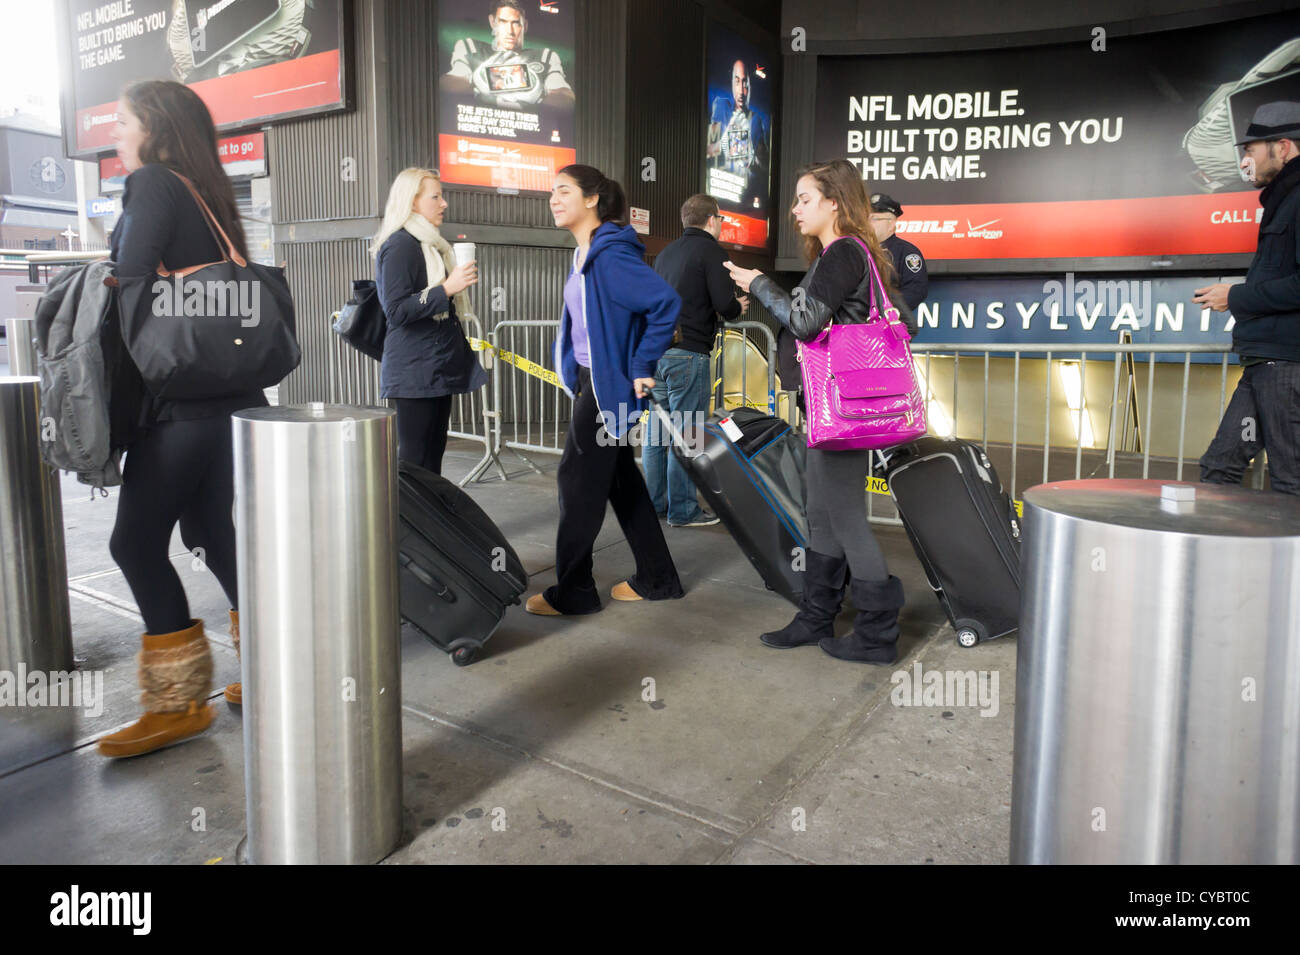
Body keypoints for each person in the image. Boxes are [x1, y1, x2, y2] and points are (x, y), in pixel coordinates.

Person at [97, 80, 266, 757]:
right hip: (230, 400)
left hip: (181, 405)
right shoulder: (210, 193)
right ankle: (266, 667)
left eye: (122, 121)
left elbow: (127, 276)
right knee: (207, 530)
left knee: (134, 543)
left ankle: (177, 704)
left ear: (154, 127)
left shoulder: (154, 185)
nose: (116, 134)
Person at [725, 159, 911, 664]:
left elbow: (806, 323)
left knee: (844, 516)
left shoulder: (844, 252)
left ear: (834, 202)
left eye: (804, 199)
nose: (794, 209)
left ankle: (876, 634)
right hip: (833, 407)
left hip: (844, 410)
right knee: (822, 514)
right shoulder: (847, 254)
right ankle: (817, 615)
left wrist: (762, 284)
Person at [525, 164, 685, 616]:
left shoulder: (610, 255)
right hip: (588, 381)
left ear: (592, 199)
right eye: (551, 192)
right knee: (622, 482)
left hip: (605, 388)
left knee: (576, 484)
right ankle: (658, 578)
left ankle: (574, 591)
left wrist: (640, 364)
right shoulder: (586, 254)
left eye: (563, 191)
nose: (554, 199)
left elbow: (664, 303)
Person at [1196, 101, 1300, 495]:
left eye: (1251, 149)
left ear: (1283, 147)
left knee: (1291, 481)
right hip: (1265, 363)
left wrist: (1236, 297)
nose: (1244, 159)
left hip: (1287, 367)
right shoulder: (1282, 200)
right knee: (1219, 468)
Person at [373, 168, 488, 475]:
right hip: (413, 371)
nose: (444, 203)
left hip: (435, 367)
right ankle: (408, 524)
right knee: (414, 462)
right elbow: (395, 310)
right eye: (435, 196)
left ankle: (429, 522)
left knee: (432, 458)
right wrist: (447, 288)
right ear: (412, 202)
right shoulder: (400, 245)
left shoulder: (431, 245)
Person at [644, 194, 749, 527]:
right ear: (712, 220)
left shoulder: (665, 254)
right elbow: (723, 302)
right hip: (690, 353)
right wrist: (738, 308)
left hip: (657, 352)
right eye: (720, 220)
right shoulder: (712, 252)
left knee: (656, 434)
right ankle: (684, 510)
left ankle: (655, 504)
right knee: (687, 433)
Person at [442, 0, 574, 110]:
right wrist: (479, 81)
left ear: (525, 26)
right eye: (503, 22)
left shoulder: (546, 57)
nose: (510, 31)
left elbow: (566, 97)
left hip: (531, 134)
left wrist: (539, 94)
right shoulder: (470, 48)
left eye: (516, 23)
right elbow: (449, 83)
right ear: (492, 22)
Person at [707, 59, 770, 206]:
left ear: (750, 85)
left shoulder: (756, 120)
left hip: (744, 197)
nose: (741, 91)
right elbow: (710, 150)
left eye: (745, 83)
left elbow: (765, 166)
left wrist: (755, 159)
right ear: (731, 83)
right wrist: (726, 141)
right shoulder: (721, 105)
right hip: (719, 190)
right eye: (737, 82)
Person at [869, 192, 928, 319]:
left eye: (874, 219)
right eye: (865, 218)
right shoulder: (855, 249)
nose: (868, 223)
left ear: (891, 224)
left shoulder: (907, 252)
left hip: (888, 326)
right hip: (854, 328)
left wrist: (887, 312)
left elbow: (916, 290)